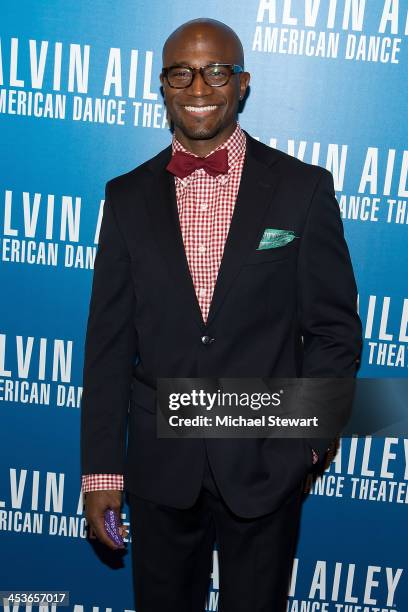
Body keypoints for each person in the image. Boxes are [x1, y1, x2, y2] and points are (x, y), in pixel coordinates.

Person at [80, 17, 362, 612]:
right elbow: (107, 347)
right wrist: (102, 475)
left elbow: (334, 333)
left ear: (243, 84)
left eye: (216, 72)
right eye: (181, 73)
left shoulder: (302, 189)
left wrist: (307, 447)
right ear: (163, 85)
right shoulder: (126, 197)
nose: (199, 87)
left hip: (265, 464)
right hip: (161, 469)